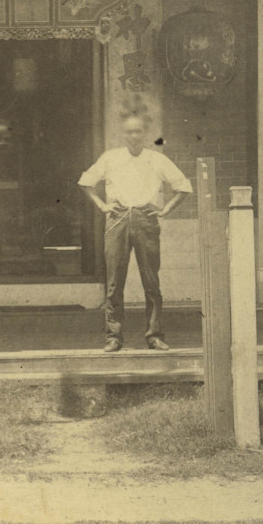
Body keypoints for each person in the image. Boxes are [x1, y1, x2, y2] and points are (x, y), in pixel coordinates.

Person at [78, 113, 192, 352]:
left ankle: (154, 336)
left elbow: (183, 187)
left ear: (145, 134)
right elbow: (86, 182)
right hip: (117, 219)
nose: (133, 136)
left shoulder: (156, 159)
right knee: (114, 283)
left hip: (145, 219)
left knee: (151, 281)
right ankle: (114, 338)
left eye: (138, 131)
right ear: (123, 134)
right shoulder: (111, 158)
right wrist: (103, 206)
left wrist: (163, 211)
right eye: (129, 132)